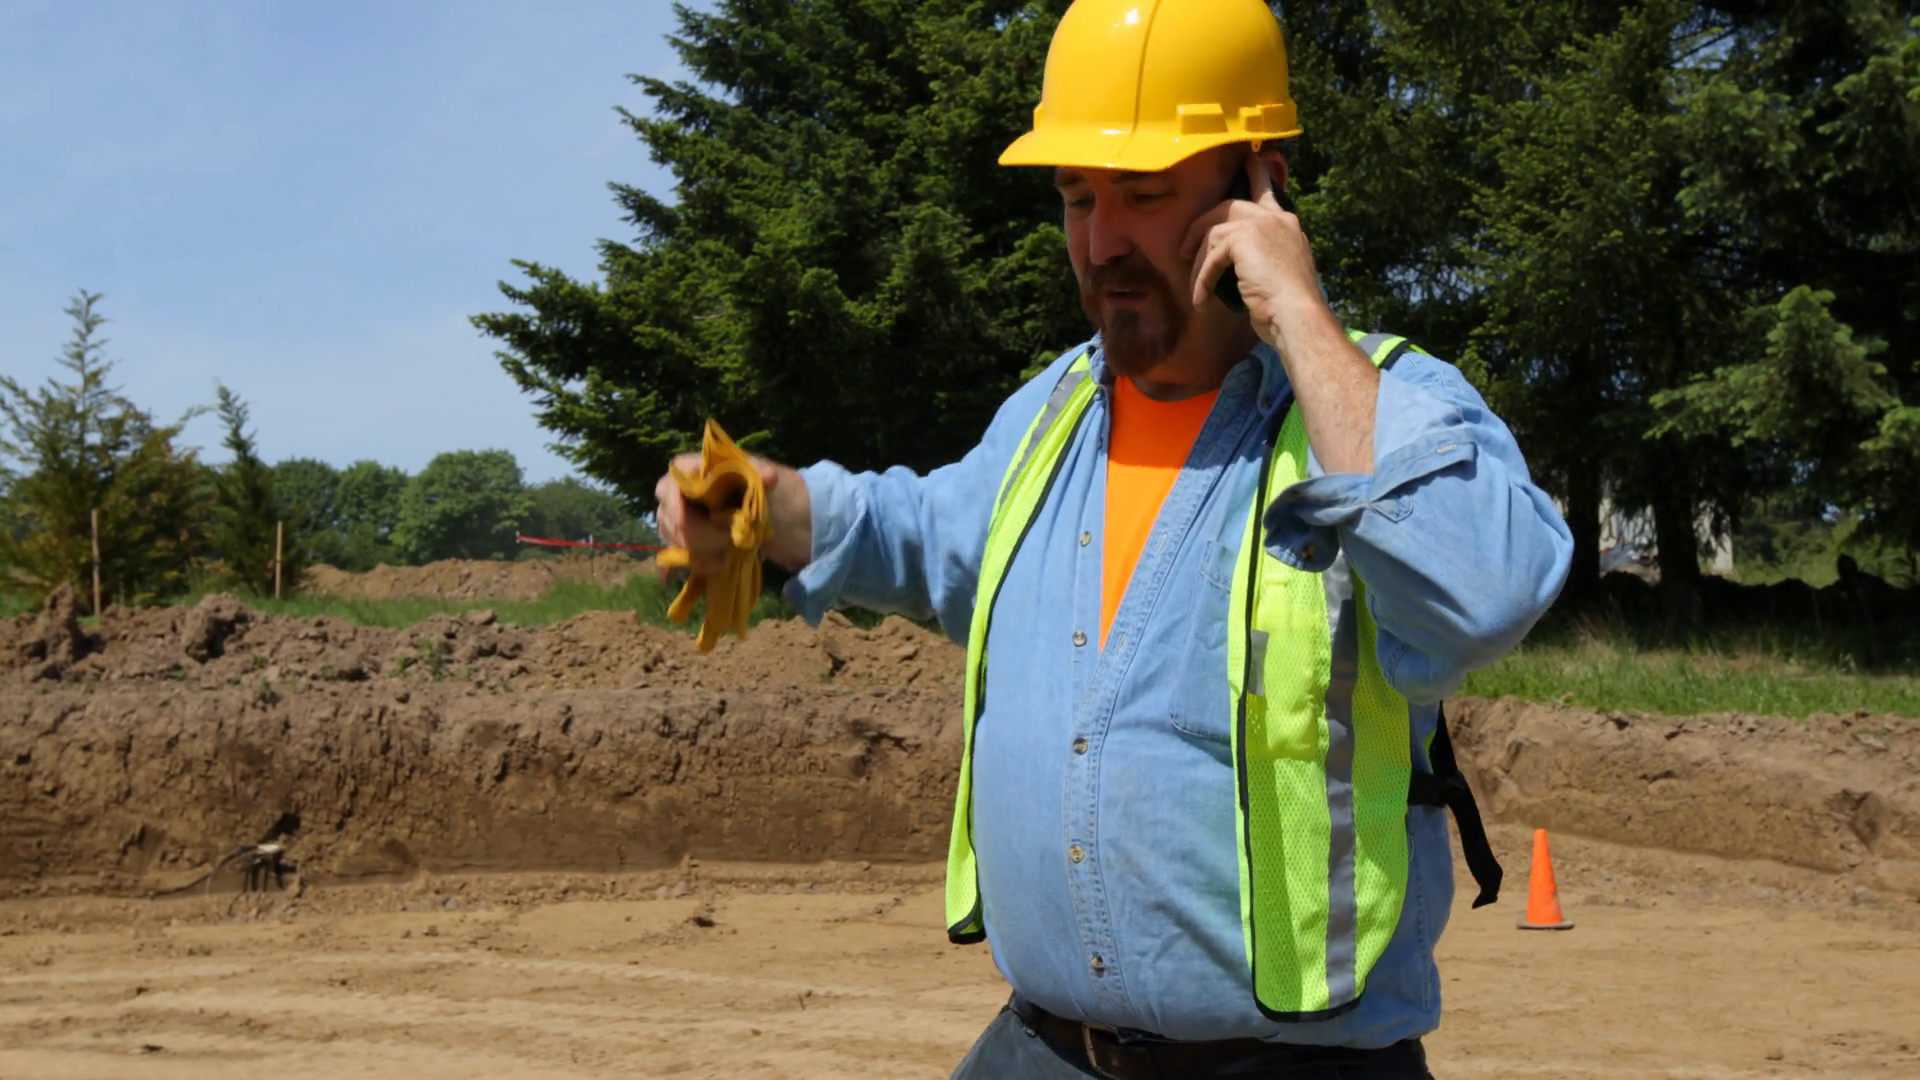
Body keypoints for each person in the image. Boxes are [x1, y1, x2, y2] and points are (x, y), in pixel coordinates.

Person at [655, 1, 1573, 1075]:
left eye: (1143, 193)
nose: (1100, 242)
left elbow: (1487, 591)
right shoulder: (1054, 413)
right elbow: (930, 535)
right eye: (1077, 196)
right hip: (1042, 1048)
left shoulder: (1380, 404)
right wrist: (772, 508)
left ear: (1259, 188)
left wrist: (1298, 315)